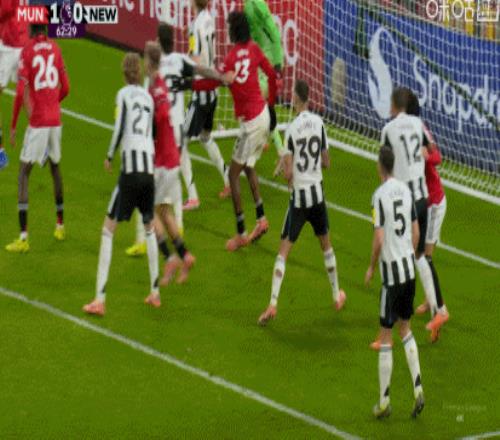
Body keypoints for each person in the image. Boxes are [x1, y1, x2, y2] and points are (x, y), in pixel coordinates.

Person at [258, 80, 346, 326]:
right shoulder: (319, 123)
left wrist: (287, 168)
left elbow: (288, 173)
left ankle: (273, 303)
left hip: (299, 199)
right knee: (326, 246)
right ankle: (336, 295)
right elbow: (326, 162)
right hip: (317, 196)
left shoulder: (292, 129)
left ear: (296, 98)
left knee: (283, 252)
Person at [191, 11, 277, 252]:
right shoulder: (254, 49)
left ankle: (241, 233)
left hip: (251, 125)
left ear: (233, 31)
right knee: (248, 166)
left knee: (232, 175)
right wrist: (271, 105)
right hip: (263, 115)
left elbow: (212, 82)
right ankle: (261, 219)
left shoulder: (230, 60)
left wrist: (190, 84)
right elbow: (272, 75)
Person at [83, 53, 159, 316]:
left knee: (107, 230)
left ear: (124, 73)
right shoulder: (148, 98)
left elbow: (119, 126)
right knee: (149, 227)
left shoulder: (123, 95)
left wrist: (109, 155)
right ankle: (155, 292)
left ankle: (99, 299)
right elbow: (153, 132)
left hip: (130, 172)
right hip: (148, 170)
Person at [370, 87, 443, 348]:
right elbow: (432, 150)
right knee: (418, 256)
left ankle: (387, 330)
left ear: (393, 105)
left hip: (402, 202)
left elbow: (384, 164)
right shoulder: (417, 124)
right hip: (422, 200)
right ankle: (437, 310)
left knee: (393, 257)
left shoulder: (388, 130)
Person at [125, 22, 196, 258]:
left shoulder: (155, 73)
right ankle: (179, 226)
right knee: (177, 179)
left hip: (162, 134)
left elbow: (150, 108)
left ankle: (143, 239)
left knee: (144, 187)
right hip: (178, 129)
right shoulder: (179, 62)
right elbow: (195, 78)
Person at [365, 146, 424, 419]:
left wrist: (371, 265)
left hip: (391, 276)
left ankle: (384, 402)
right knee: (406, 329)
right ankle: (418, 388)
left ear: (380, 166)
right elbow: (416, 231)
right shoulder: (406, 190)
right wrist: (407, 253)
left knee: (386, 335)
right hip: (409, 272)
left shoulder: (379, 196)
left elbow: (379, 238)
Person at [6, 24, 69, 253]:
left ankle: (23, 238)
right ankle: (60, 225)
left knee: (23, 173)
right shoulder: (56, 48)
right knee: (55, 167)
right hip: (55, 120)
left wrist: (14, 125)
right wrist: (53, 104)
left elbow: (20, 93)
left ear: (31, 30)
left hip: (39, 121)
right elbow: (66, 87)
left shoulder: (28, 51)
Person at [143, 41, 197, 303]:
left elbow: (162, 116)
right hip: (171, 158)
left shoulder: (155, 88)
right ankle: (185, 255)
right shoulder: (160, 85)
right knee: (164, 210)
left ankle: (169, 257)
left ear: (149, 62)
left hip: (163, 161)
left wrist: (151, 133)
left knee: (149, 212)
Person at [406, 90, 449, 342]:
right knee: (421, 255)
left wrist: (426, 156)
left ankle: (438, 313)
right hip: (425, 202)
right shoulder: (408, 131)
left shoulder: (420, 129)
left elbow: (438, 157)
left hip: (434, 203)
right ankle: (430, 301)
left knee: (425, 257)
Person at [181, 0, 230, 210]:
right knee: (205, 136)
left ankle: (192, 196)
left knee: (180, 142)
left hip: (201, 92)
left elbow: (196, 61)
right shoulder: (209, 18)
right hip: (213, 91)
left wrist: (181, 63)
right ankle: (228, 178)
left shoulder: (196, 26)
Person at [244, 0, 284, 155]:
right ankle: (276, 149)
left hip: (269, 62)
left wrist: (278, 65)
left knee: (257, 104)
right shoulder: (248, 5)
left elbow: (273, 32)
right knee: (263, 107)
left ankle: (262, 146)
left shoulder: (256, 5)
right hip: (261, 60)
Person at [0, 0, 28, 170]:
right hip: (21, 39)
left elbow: (4, 11)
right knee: (26, 94)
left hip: (9, 44)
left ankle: (0, 153)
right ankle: (43, 144)